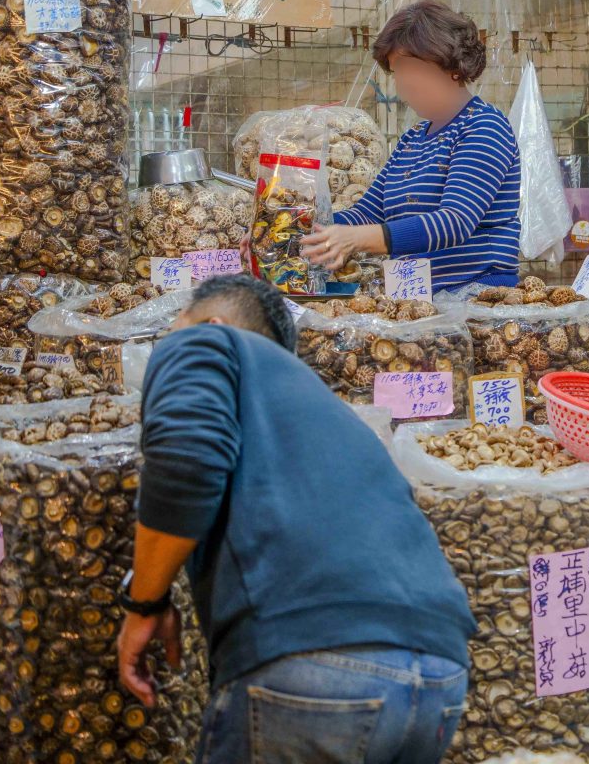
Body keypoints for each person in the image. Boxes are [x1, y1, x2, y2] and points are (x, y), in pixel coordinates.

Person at [115, 275, 477, 763]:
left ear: (214, 323)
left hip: (314, 664)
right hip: (440, 675)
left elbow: (186, 464)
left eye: (174, 324)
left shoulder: (207, 343)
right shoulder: (330, 413)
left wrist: (144, 604)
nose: (167, 338)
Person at [303, 0, 522, 298]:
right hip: (417, 300)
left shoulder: (484, 127)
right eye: (397, 71)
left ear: (451, 66)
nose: (402, 84)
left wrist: (356, 239)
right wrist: (295, 233)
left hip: (476, 301)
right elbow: (367, 212)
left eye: (410, 68)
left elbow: (454, 222)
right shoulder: (413, 139)